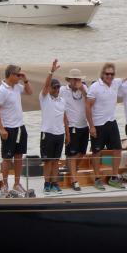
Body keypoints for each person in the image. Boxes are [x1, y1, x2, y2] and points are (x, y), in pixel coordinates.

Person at [0, 63, 32, 196]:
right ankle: (4, 185)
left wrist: (25, 80)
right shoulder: (2, 90)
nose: (19, 77)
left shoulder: (17, 87)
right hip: (8, 128)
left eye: (20, 75)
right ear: (10, 75)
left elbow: (29, 92)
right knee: (7, 158)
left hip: (20, 127)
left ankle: (17, 183)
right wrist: (1, 129)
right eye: (17, 75)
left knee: (19, 156)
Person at [87, 62, 124, 189]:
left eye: (112, 74)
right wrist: (91, 126)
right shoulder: (95, 87)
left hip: (111, 122)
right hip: (98, 124)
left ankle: (114, 177)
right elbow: (88, 107)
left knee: (117, 149)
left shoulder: (116, 83)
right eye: (107, 74)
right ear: (102, 74)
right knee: (97, 152)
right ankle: (97, 179)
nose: (109, 76)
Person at [39, 60, 67, 195]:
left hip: (60, 134)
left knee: (56, 161)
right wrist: (51, 72)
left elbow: (64, 117)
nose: (56, 90)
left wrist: (67, 133)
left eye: (58, 88)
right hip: (47, 133)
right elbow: (45, 86)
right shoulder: (44, 98)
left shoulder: (62, 100)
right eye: (54, 87)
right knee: (48, 161)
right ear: (49, 88)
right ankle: (47, 184)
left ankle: (55, 183)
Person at [63, 68, 91, 191]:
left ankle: (72, 169)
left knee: (82, 153)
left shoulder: (84, 88)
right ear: (69, 80)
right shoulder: (63, 90)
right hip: (72, 126)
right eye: (74, 79)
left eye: (78, 79)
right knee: (72, 154)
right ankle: (74, 180)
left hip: (84, 125)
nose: (76, 81)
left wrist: (82, 89)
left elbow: (90, 102)